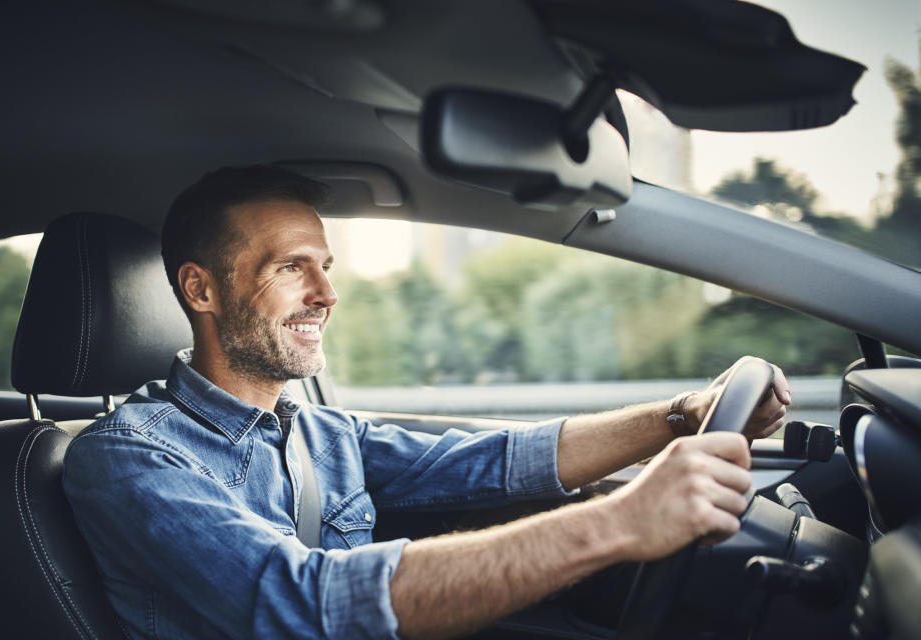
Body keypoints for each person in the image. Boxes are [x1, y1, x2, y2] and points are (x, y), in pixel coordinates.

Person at [63, 164, 791, 640]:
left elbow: (497, 460)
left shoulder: (320, 432)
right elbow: (303, 604)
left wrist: (681, 415)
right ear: (201, 291)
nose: (327, 294)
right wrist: (623, 521)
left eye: (326, 266)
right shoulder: (129, 457)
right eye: (291, 268)